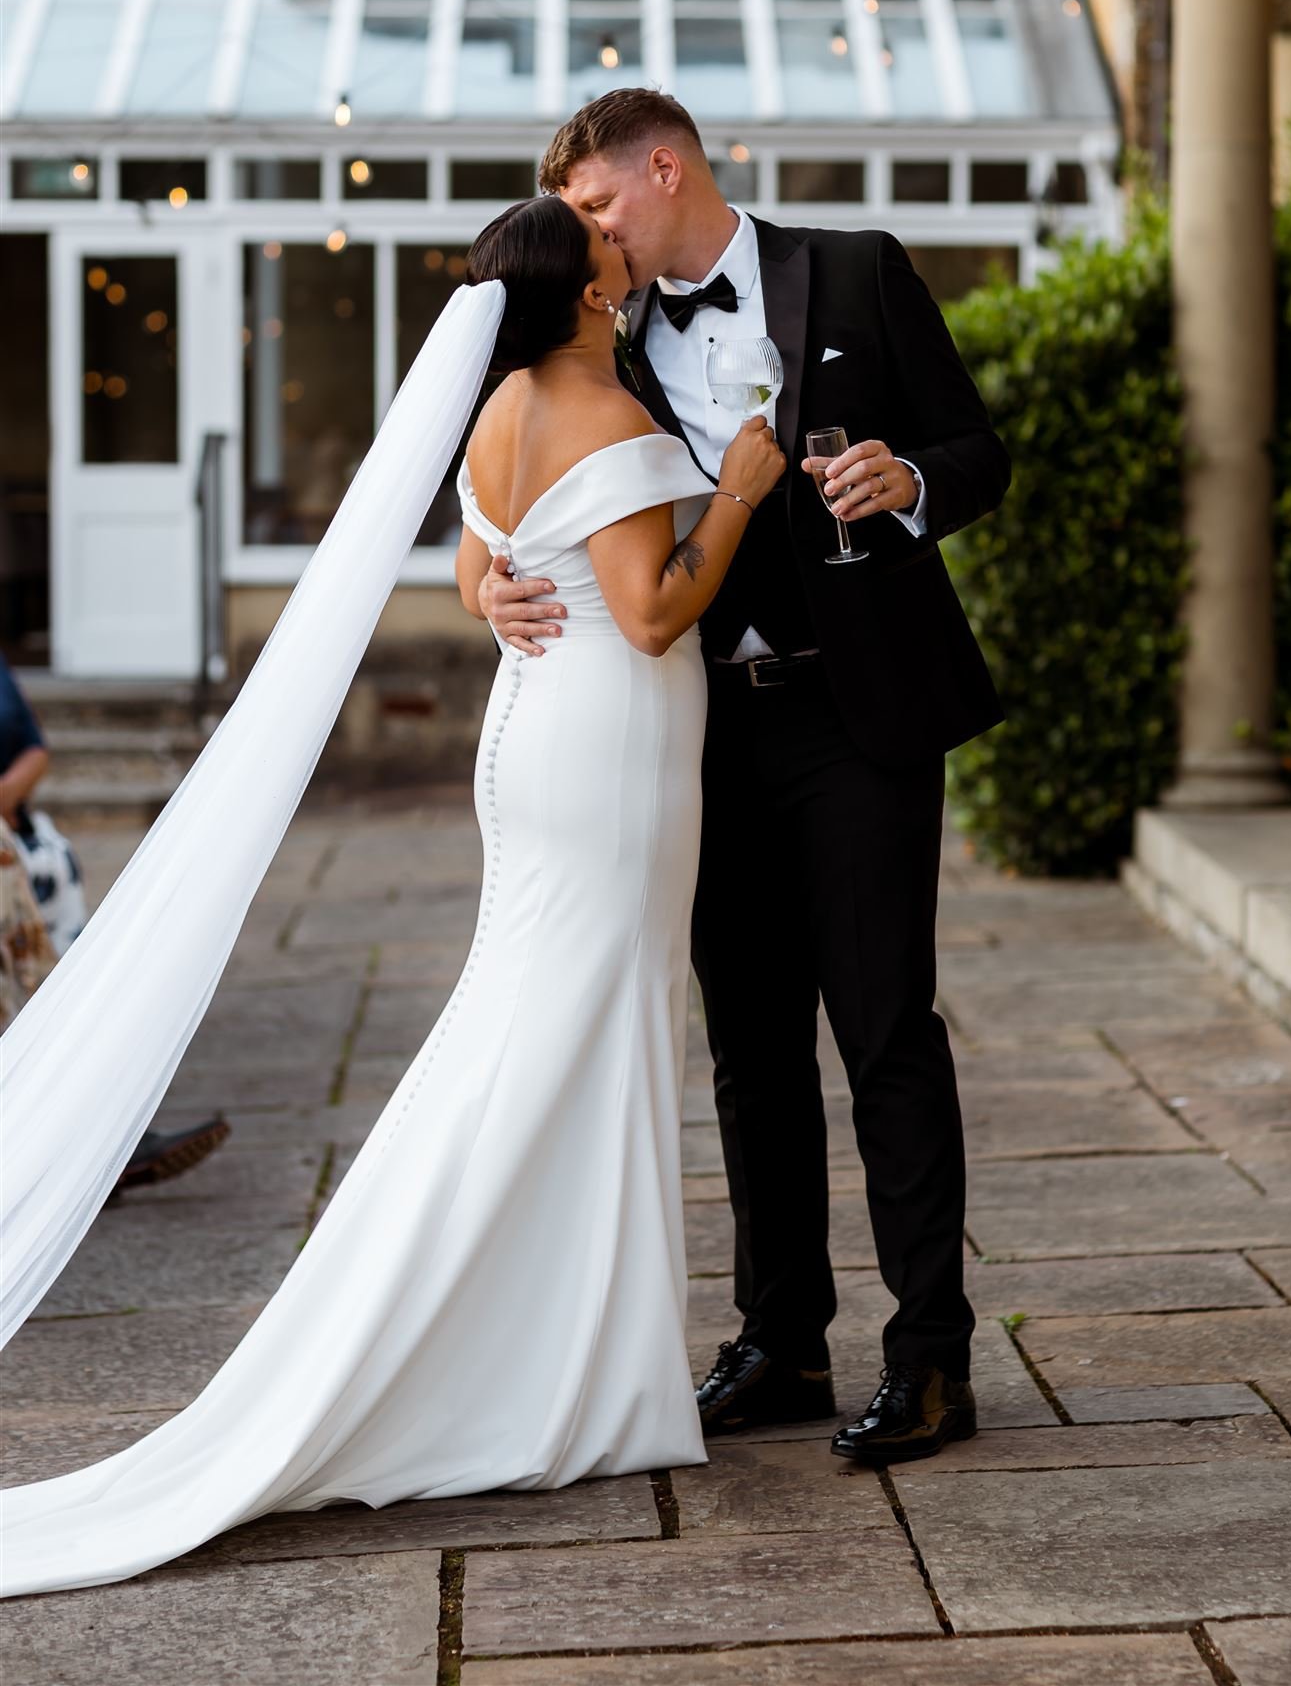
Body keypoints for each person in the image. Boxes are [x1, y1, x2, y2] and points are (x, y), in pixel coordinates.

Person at [0, 193, 786, 1596]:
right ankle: (541, 1368)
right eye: (603, 244)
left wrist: (495, 594)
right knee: (570, 1042)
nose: (622, 245)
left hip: (544, 738)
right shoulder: (607, 424)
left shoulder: (496, 415)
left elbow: (482, 561)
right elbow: (658, 609)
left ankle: (579, 1361)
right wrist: (737, 482)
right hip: (606, 753)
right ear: (591, 295)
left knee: (545, 1041)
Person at [484, 89, 1009, 1463]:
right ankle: (780, 1340)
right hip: (694, 732)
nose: (584, 236)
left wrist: (910, 480)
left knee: (886, 1031)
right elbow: (519, 487)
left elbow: (978, 450)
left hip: (856, 717)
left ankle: (931, 1360)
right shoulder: (594, 340)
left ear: (663, 169)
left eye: (596, 208)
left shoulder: (854, 267)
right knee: (750, 1053)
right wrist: (487, 578)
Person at [0, 656, 229, 1192]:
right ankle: (82, 1145)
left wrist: (6, 794)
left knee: (68, 973)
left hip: (20, 838)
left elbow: (34, 745)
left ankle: (93, 1136)